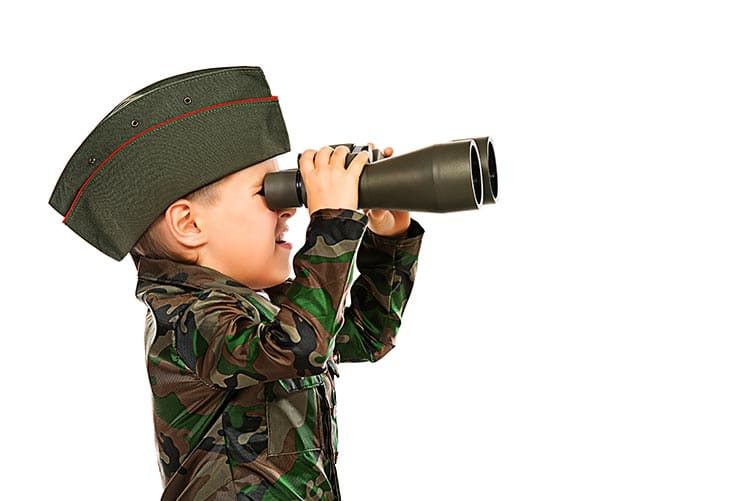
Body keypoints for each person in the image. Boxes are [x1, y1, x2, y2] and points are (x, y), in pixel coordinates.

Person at [49, 66, 424, 500]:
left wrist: (390, 240)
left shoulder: (260, 311)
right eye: (271, 194)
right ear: (189, 224)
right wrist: (333, 222)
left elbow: (363, 336)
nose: (290, 212)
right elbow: (300, 346)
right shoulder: (186, 319)